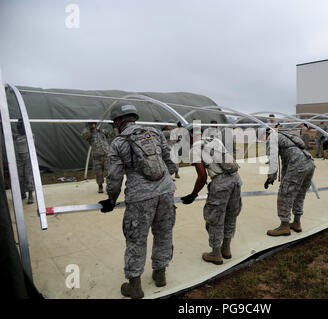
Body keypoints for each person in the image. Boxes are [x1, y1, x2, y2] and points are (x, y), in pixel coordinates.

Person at [98, 104, 177, 299]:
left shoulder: (118, 143)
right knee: (164, 233)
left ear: (118, 121)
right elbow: (171, 162)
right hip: (166, 192)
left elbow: (114, 177)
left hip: (140, 198)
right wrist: (164, 180)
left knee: (136, 239)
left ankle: (135, 286)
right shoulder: (155, 133)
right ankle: (160, 274)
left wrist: (111, 199)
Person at [180, 128, 242, 266]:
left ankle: (215, 253)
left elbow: (202, 176)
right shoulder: (216, 140)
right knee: (230, 216)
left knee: (215, 218)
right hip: (236, 180)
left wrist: (193, 194)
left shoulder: (195, 149)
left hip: (220, 184)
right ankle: (226, 248)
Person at [264, 127, 315, 236]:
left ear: (267, 134)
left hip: (297, 164)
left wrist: (271, 177)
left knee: (285, 194)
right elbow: (286, 162)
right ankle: (296, 223)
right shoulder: (287, 136)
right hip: (309, 162)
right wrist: (280, 178)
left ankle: (284, 226)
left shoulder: (272, 138)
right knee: (299, 194)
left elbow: (273, 159)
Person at [81, 122, 115, 193]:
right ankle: (100, 186)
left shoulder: (102, 131)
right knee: (98, 173)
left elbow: (112, 135)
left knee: (109, 172)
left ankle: (110, 187)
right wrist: (87, 127)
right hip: (97, 157)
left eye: (94, 124)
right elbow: (84, 136)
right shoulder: (89, 134)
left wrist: (114, 127)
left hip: (106, 155)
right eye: (91, 124)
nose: (93, 125)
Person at [13, 119, 34, 204]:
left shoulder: (30, 135)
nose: (19, 130)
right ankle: (22, 193)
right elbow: (6, 134)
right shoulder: (17, 136)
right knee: (20, 176)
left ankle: (30, 195)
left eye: (20, 128)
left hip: (28, 158)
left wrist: (24, 122)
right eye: (18, 128)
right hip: (19, 158)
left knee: (28, 176)